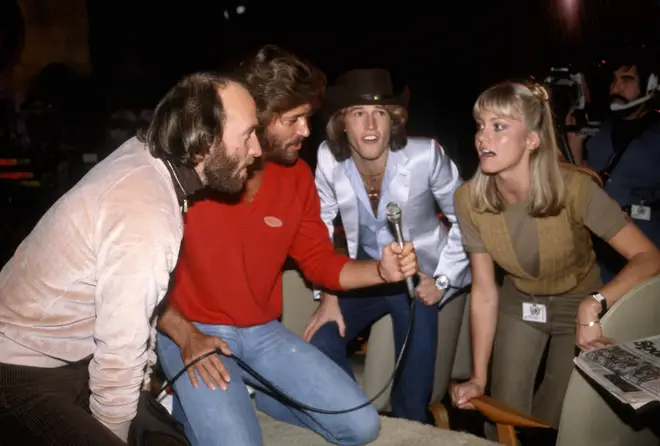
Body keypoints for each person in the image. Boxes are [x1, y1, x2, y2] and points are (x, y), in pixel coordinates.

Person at [155, 46, 418, 446]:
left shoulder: (297, 178)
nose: (306, 131)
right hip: (191, 329)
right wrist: (185, 336)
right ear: (257, 119)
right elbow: (143, 278)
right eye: (293, 119)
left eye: (307, 118)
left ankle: (256, 394)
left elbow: (317, 261)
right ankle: (188, 404)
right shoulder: (198, 170)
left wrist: (381, 271)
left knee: (362, 426)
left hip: (262, 332)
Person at [0, 72, 262, 445]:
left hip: (73, 356)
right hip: (18, 370)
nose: (257, 150)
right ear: (203, 143)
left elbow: (141, 317)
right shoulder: (145, 212)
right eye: (248, 134)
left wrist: (141, 387)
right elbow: (119, 355)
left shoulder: (149, 156)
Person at [449, 81, 660, 436]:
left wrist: (594, 303)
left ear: (531, 139)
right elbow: (484, 290)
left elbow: (649, 256)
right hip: (520, 301)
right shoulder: (469, 199)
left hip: (577, 298)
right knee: (503, 414)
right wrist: (478, 378)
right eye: (480, 125)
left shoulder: (576, 189)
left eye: (498, 126)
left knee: (558, 416)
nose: (483, 137)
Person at [304, 68, 470, 423]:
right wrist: (329, 294)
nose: (370, 125)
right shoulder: (328, 158)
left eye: (380, 114)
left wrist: (440, 281)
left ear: (393, 121)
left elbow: (467, 220)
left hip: (422, 268)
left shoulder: (426, 155)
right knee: (320, 339)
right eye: (357, 113)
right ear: (341, 123)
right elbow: (319, 226)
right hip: (367, 269)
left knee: (420, 317)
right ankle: (354, 418)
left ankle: (412, 426)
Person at [567, 50, 660, 283]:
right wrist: (573, 145)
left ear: (650, 85)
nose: (615, 88)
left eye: (626, 80)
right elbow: (584, 182)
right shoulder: (599, 131)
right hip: (598, 255)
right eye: (614, 80)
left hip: (646, 255)